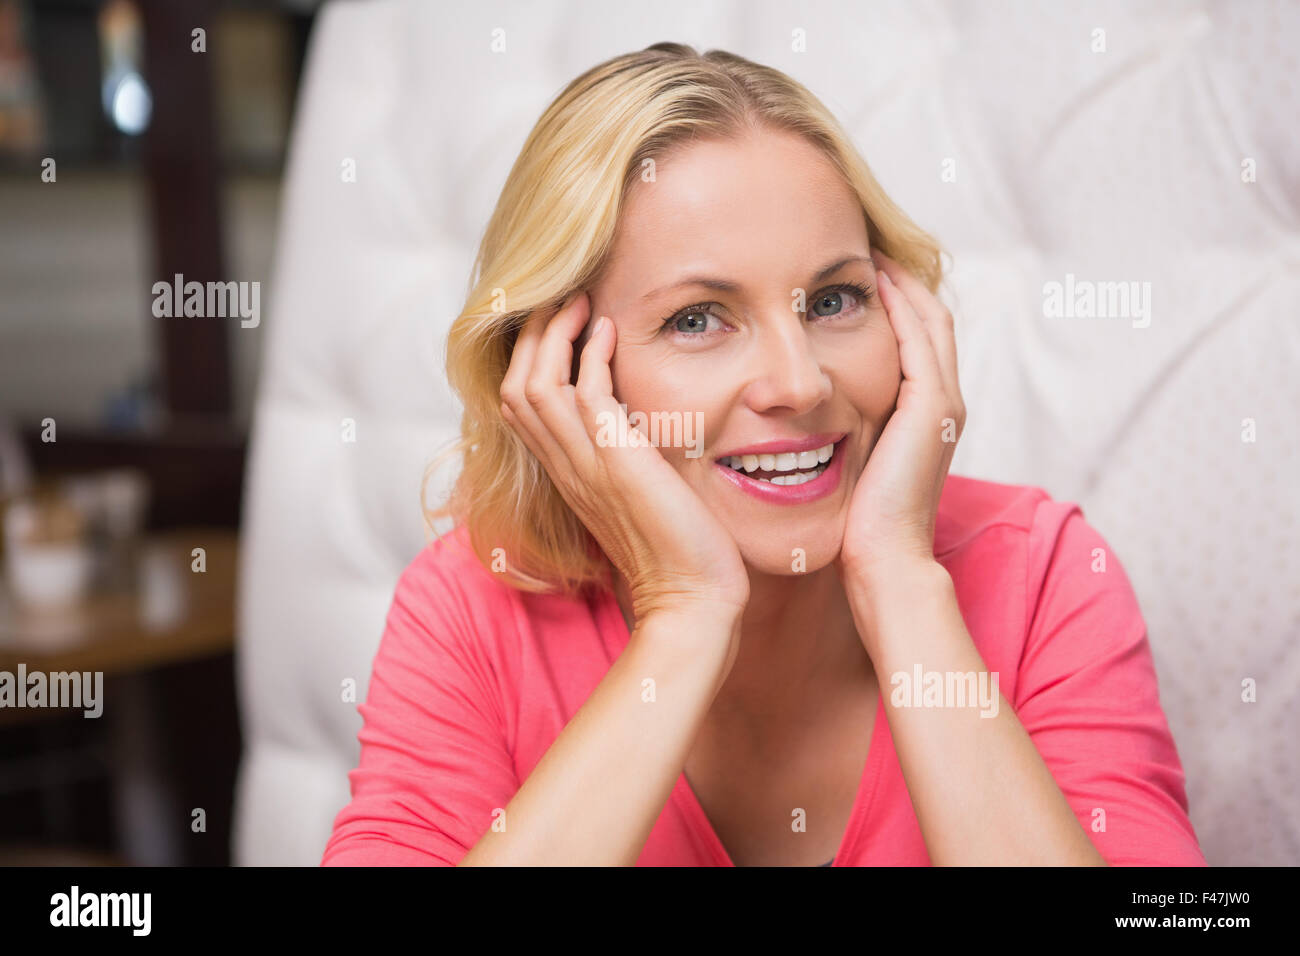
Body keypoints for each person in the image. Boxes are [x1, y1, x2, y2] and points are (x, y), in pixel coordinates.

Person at [320, 42, 1206, 866]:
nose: (799, 381)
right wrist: (685, 617)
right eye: (697, 319)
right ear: (559, 371)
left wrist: (900, 580)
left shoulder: (1043, 572)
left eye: (832, 301)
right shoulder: (474, 610)